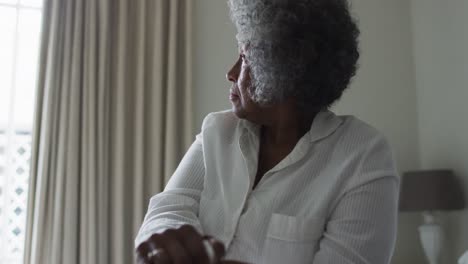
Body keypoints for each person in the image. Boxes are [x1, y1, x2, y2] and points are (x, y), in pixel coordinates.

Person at [135, 0, 400, 263]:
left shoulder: (362, 156)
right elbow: (167, 209)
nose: (230, 73)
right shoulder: (218, 131)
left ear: (283, 70)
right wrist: (167, 240)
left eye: (245, 58)